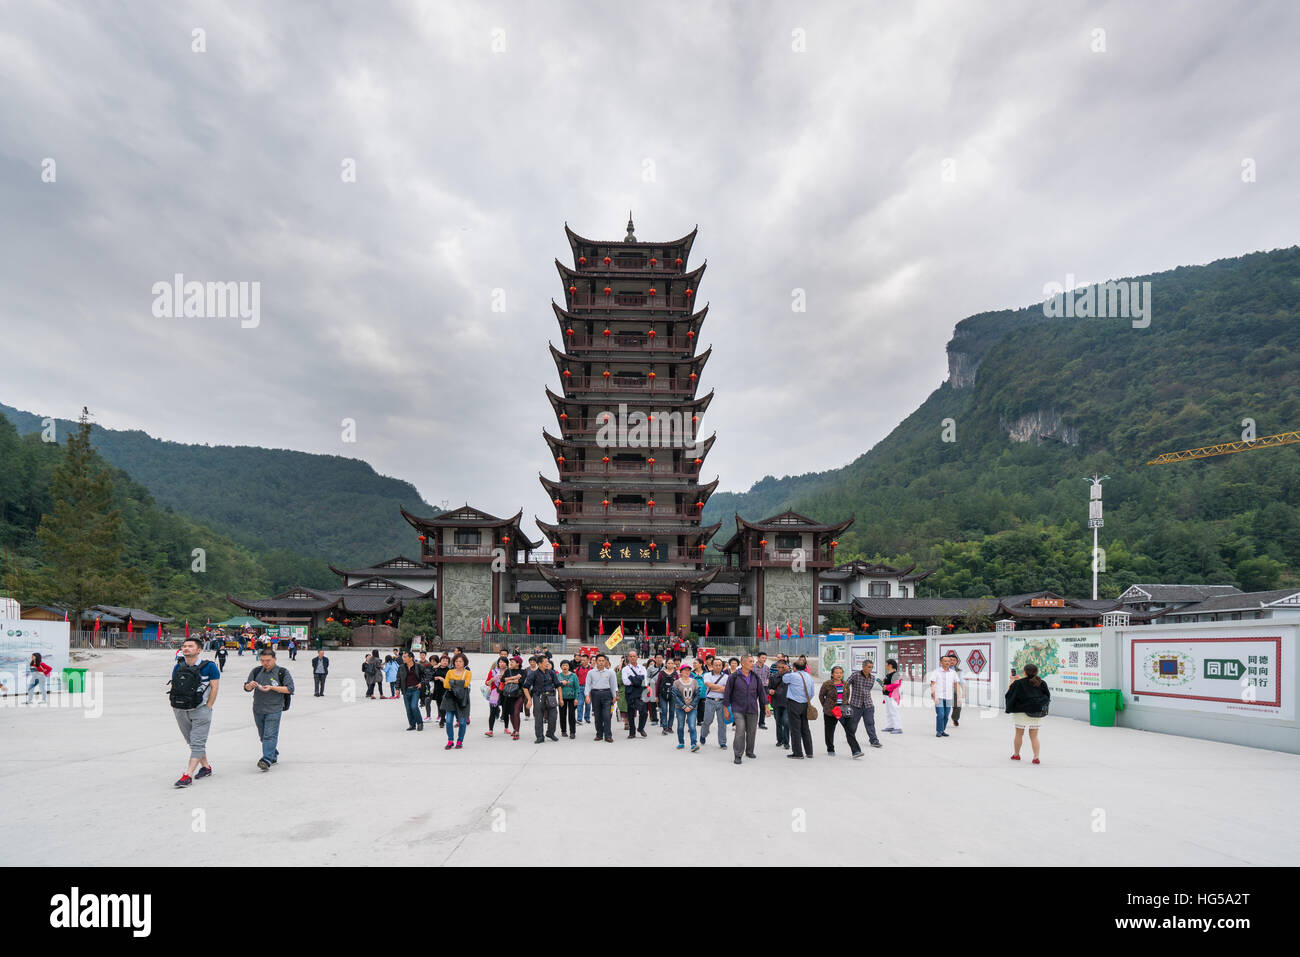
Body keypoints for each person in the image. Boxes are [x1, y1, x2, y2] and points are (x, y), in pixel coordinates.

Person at [169, 637, 221, 787]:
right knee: (192, 742)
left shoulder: (210, 667)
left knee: (197, 743)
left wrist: (208, 706)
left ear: (199, 650)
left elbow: (215, 687)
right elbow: (174, 686)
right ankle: (206, 767)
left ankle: (187, 775)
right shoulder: (178, 666)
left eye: (190, 646)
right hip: (180, 709)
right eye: (184, 646)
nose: (186, 648)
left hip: (201, 710)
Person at [243, 648, 294, 769]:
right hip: (258, 708)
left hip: (274, 709)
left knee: (269, 735)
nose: (265, 663)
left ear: (275, 659)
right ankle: (272, 754)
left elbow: (289, 689)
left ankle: (266, 760)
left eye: (268, 660)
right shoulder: (256, 671)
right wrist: (250, 685)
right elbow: (246, 688)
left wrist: (272, 688)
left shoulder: (282, 672)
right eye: (262, 660)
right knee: (262, 735)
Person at [722, 654, 768, 764]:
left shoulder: (755, 677)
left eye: (753, 661)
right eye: (750, 661)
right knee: (740, 731)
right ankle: (738, 755)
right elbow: (727, 693)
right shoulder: (734, 677)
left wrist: (766, 706)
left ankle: (749, 751)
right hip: (738, 709)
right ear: (743, 663)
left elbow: (761, 692)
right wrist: (725, 709)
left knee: (752, 732)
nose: (753, 663)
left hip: (752, 708)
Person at [1005, 663, 1051, 764]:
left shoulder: (1018, 683)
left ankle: (1016, 755)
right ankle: (1036, 757)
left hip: (1021, 712)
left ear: (1025, 672)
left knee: (1019, 734)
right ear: (1036, 672)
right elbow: (1047, 696)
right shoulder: (1041, 683)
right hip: (1036, 712)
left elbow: (1010, 694)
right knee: (1034, 736)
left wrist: (1012, 681)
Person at [844, 658, 883, 754]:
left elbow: (870, 690)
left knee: (870, 723)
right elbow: (846, 684)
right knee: (853, 724)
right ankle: (851, 738)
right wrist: (846, 698)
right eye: (869, 667)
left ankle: (874, 740)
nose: (870, 669)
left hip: (868, 705)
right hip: (855, 705)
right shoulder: (855, 675)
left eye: (872, 667)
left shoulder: (872, 678)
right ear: (863, 666)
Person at [819, 666, 860, 757]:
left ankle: (856, 751)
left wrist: (845, 704)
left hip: (843, 711)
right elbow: (821, 696)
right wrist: (826, 706)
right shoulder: (827, 684)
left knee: (849, 730)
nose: (839, 674)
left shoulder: (845, 684)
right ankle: (830, 749)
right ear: (832, 674)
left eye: (841, 673)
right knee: (829, 731)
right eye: (836, 673)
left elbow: (847, 695)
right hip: (831, 711)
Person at [782, 660, 816, 759]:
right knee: (805, 728)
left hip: (794, 704)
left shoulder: (793, 675)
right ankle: (809, 752)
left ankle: (798, 753)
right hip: (805, 704)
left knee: (795, 729)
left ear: (795, 668)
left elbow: (784, 679)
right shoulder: (809, 677)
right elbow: (812, 692)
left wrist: (787, 671)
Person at [524, 655, 560, 743]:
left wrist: (560, 698)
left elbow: (558, 685)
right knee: (539, 718)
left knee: (553, 716)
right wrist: (529, 699)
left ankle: (550, 733)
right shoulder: (533, 674)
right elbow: (525, 687)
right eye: (545, 662)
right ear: (539, 664)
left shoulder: (551, 673)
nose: (547, 663)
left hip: (551, 696)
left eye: (548, 662)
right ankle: (540, 736)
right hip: (538, 696)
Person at [928, 652, 963, 738]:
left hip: (949, 697)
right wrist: (934, 695)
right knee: (940, 714)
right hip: (938, 696)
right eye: (945, 661)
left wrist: (959, 696)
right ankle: (939, 731)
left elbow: (956, 685)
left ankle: (942, 730)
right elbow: (932, 684)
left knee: (946, 716)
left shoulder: (953, 673)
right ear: (941, 662)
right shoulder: (936, 672)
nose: (947, 662)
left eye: (949, 661)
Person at [442, 653, 473, 749]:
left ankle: (460, 740)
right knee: (449, 720)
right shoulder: (449, 672)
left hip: (462, 699)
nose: (458, 663)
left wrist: (452, 682)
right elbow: (446, 685)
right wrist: (458, 683)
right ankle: (450, 740)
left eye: (460, 661)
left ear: (464, 663)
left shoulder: (468, 673)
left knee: (462, 722)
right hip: (450, 699)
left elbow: (466, 684)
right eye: (456, 661)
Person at [585, 653, 618, 743]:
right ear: (596, 662)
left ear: (606, 661)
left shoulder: (610, 672)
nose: (601, 662)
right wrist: (587, 695)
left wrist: (615, 696)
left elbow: (614, 685)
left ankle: (608, 735)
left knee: (607, 715)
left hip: (607, 694)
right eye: (599, 661)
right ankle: (599, 734)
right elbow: (587, 685)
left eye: (603, 661)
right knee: (597, 715)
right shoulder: (591, 672)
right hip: (595, 694)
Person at [700, 657, 729, 749]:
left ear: (722, 666)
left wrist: (715, 688)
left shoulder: (726, 677)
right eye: (716, 665)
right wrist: (722, 688)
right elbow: (709, 685)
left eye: (720, 665)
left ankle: (722, 742)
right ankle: (703, 734)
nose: (718, 667)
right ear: (712, 665)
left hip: (722, 702)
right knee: (707, 720)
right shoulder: (707, 675)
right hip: (710, 701)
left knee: (722, 723)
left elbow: (727, 689)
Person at [669, 664, 700, 751]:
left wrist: (691, 706)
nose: (687, 672)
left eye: (688, 670)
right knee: (680, 726)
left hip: (692, 708)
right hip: (680, 708)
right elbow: (675, 696)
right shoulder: (676, 682)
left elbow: (697, 695)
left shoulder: (694, 681)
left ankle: (694, 744)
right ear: (681, 671)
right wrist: (683, 706)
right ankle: (681, 742)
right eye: (685, 670)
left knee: (692, 726)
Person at [621, 651, 649, 739]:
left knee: (644, 712)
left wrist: (632, 679)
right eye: (631, 656)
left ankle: (641, 728)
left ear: (637, 657)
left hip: (641, 692)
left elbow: (645, 680)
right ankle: (632, 732)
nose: (632, 658)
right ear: (628, 658)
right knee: (631, 713)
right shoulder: (625, 669)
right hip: (630, 692)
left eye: (634, 656)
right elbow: (625, 681)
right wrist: (638, 679)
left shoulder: (642, 668)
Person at [497, 656, 525, 739]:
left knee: (516, 712)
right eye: (510, 662)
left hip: (519, 694)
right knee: (511, 713)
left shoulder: (523, 671)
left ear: (518, 663)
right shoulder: (507, 671)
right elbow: (502, 680)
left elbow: (521, 681)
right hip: (508, 694)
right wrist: (515, 678)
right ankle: (514, 729)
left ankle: (517, 731)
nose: (510, 663)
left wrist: (508, 680)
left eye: (512, 662)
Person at [396, 651, 424, 731]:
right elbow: (398, 678)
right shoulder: (401, 667)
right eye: (403, 657)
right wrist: (397, 688)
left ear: (411, 658)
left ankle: (420, 723)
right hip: (406, 690)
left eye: (405, 657)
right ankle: (412, 725)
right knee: (408, 709)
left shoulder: (418, 666)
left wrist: (422, 683)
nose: (403, 658)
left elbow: (426, 675)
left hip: (416, 690)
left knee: (414, 706)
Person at [768, 659, 791, 749]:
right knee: (778, 722)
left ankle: (786, 742)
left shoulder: (790, 676)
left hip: (787, 703)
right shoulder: (773, 677)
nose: (780, 669)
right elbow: (768, 688)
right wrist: (770, 691)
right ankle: (779, 740)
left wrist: (788, 671)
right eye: (779, 667)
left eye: (783, 667)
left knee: (786, 722)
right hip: (776, 702)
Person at [557, 659, 580, 738]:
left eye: (566, 665)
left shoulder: (573, 676)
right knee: (562, 715)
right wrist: (561, 683)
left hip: (572, 698)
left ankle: (572, 732)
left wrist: (576, 698)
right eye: (563, 665)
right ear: (561, 667)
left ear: (569, 666)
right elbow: (556, 686)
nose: (565, 667)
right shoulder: (558, 676)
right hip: (562, 698)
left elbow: (577, 688)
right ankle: (563, 731)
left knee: (571, 715)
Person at [880, 659, 903, 733]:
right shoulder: (888, 674)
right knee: (888, 711)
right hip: (886, 695)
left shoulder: (895, 674)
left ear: (890, 665)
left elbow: (897, 684)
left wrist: (887, 687)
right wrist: (883, 682)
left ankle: (898, 727)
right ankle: (891, 726)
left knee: (894, 711)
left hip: (892, 696)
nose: (885, 665)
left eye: (886, 663)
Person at [655, 661, 677, 735]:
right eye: (668, 663)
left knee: (672, 711)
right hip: (662, 694)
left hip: (673, 695)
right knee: (664, 711)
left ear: (674, 665)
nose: (670, 665)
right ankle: (664, 727)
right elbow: (658, 684)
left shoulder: (675, 673)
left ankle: (670, 727)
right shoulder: (661, 673)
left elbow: (678, 685)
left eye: (671, 663)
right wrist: (656, 695)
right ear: (666, 664)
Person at [430, 654, 450, 726]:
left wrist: (443, 680)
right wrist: (436, 678)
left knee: (443, 705)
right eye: (443, 660)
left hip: (445, 690)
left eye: (447, 661)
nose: (445, 662)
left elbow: (451, 681)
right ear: (440, 662)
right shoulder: (436, 669)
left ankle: (442, 720)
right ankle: (443, 717)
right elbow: (430, 677)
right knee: (439, 705)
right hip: (437, 689)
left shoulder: (449, 670)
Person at [753, 652, 771, 729]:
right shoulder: (752, 667)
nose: (764, 659)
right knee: (753, 706)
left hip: (763, 688)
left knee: (763, 706)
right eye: (763, 658)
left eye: (765, 658)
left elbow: (768, 677)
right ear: (758, 658)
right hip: (753, 688)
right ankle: (752, 722)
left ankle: (761, 723)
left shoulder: (766, 668)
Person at [575, 654, 592, 725]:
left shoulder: (592, 669)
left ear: (588, 660)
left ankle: (587, 718)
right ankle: (579, 719)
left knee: (588, 704)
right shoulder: (578, 669)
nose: (583, 661)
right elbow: (575, 679)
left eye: (584, 660)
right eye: (581, 660)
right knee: (580, 704)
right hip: (580, 688)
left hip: (589, 689)